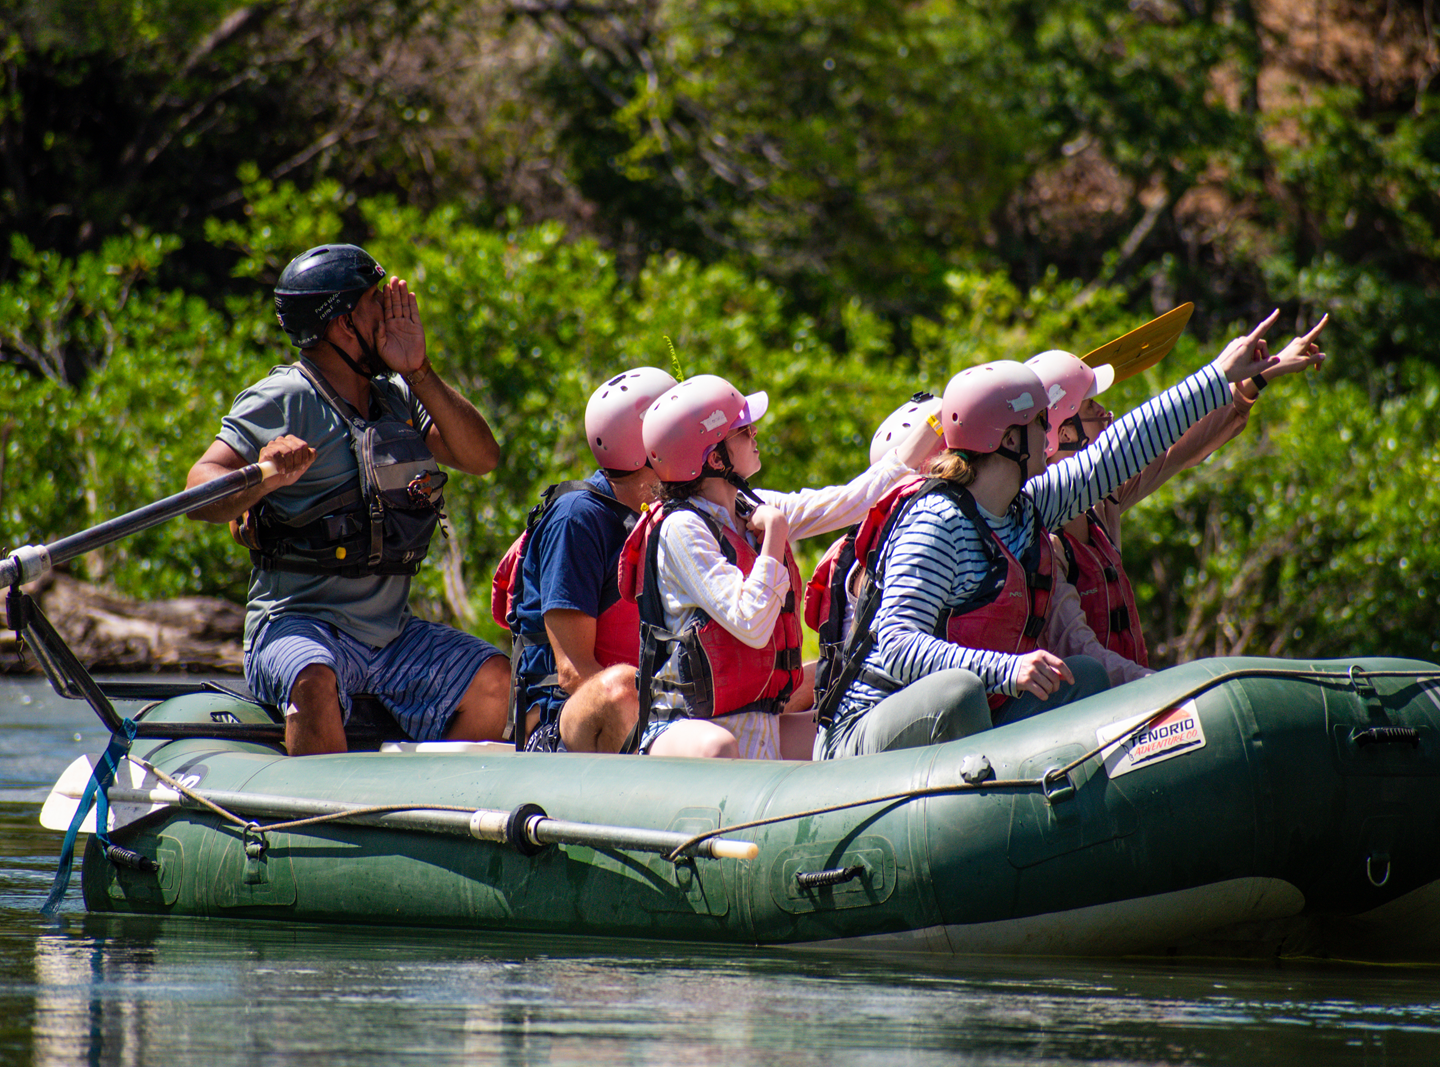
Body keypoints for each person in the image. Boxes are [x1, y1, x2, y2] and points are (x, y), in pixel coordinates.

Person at [817, 314, 1285, 759]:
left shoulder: (1026, 507)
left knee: (1080, 677)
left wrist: (1218, 376)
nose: (1050, 436)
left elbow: (1116, 454)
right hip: (869, 726)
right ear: (1007, 440)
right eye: (1040, 423)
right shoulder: (938, 522)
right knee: (958, 691)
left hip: (974, 710)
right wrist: (1008, 669)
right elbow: (895, 642)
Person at [185, 243, 509, 756]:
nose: (391, 312)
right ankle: (321, 821)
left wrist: (419, 371)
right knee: (314, 678)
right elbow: (199, 489)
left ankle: (432, 810)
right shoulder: (284, 397)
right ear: (343, 323)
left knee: (494, 678)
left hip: (390, 634)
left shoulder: (396, 397)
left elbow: (482, 457)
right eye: (377, 301)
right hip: (295, 624)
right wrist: (263, 478)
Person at [618, 374, 944, 760]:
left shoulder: (748, 504)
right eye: (743, 430)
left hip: (760, 720)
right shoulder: (681, 529)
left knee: (845, 732)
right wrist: (774, 531)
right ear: (715, 458)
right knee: (719, 748)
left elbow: (856, 498)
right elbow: (751, 622)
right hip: (689, 729)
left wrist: (940, 417)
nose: (755, 433)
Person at [1032, 313, 1328, 670]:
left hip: (1126, 692)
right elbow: (1076, 648)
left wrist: (1257, 378)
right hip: (1095, 704)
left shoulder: (1102, 501)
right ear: (1064, 433)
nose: (1107, 413)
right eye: (1092, 409)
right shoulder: (1044, 541)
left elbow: (1177, 449)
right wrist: (1155, 687)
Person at [498, 367, 675, 754]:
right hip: (559, 725)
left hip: (645, 707)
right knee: (621, 688)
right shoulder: (577, 518)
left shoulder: (670, 514)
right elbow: (573, 672)